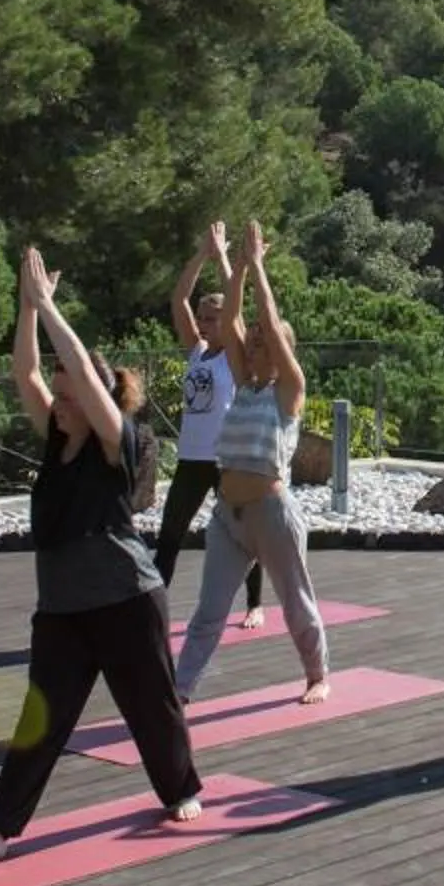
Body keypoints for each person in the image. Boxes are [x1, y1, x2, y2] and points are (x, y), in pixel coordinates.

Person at [0, 247, 205, 874]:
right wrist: (27, 307)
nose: (58, 405)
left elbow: (84, 383)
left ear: (94, 403)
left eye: (69, 397)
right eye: (58, 398)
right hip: (62, 610)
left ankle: (181, 790)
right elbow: (24, 370)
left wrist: (51, 306)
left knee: (153, 706)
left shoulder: (119, 444)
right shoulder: (58, 438)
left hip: (126, 599)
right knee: (39, 724)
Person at [169, 220, 331, 707]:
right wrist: (237, 265)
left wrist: (259, 270)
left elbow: (262, 314)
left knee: (296, 605)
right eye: (253, 340)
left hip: (272, 515)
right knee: (208, 613)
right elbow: (236, 315)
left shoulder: (288, 391)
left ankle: (317, 674)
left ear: (283, 351)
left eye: (264, 340)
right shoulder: (243, 383)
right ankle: (179, 690)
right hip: (228, 517)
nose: (254, 342)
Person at [153, 222, 264, 629]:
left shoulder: (232, 359)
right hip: (190, 460)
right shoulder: (197, 353)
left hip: (225, 461)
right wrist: (204, 252)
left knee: (245, 532)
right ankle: (155, 608)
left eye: (212, 318)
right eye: (202, 318)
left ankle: (254, 603)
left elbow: (235, 308)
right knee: (169, 535)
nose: (204, 324)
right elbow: (178, 296)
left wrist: (225, 262)